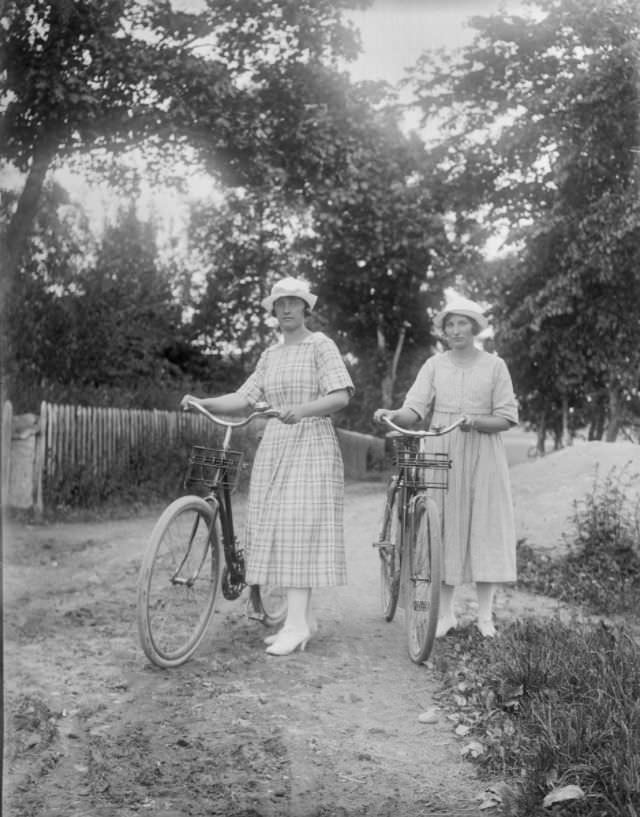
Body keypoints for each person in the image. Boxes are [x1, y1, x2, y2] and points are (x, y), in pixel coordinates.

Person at [182, 276, 354, 656]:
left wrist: (301, 410)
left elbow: (340, 395)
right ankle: (302, 620)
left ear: (306, 308)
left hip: (312, 442)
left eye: (294, 302)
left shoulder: (320, 345)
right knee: (276, 526)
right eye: (280, 304)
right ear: (273, 312)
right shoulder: (270, 355)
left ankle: (294, 625)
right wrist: (204, 401)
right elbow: (243, 398)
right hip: (276, 444)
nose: (287, 309)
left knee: (298, 526)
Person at [373, 294, 518, 638]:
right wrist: (395, 415)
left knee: (485, 525)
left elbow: (507, 417)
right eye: (450, 324)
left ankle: (485, 617)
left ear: (476, 328)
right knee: (444, 526)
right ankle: (446, 614)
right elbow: (416, 408)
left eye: (462, 323)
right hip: (442, 448)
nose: (455, 330)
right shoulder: (434, 365)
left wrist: (476, 422)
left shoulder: (495, 366)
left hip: (483, 451)